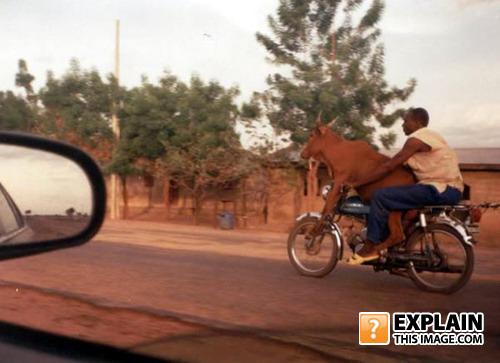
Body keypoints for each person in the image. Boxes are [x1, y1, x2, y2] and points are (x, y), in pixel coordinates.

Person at [347, 107, 464, 264]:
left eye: (405, 121)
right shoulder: (434, 138)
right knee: (395, 199)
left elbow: (389, 167)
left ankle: (370, 246)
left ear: (417, 122)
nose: (402, 125)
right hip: (450, 189)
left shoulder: (416, 139)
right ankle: (394, 243)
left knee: (380, 196)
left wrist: (357, 183)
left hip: (438, 189)